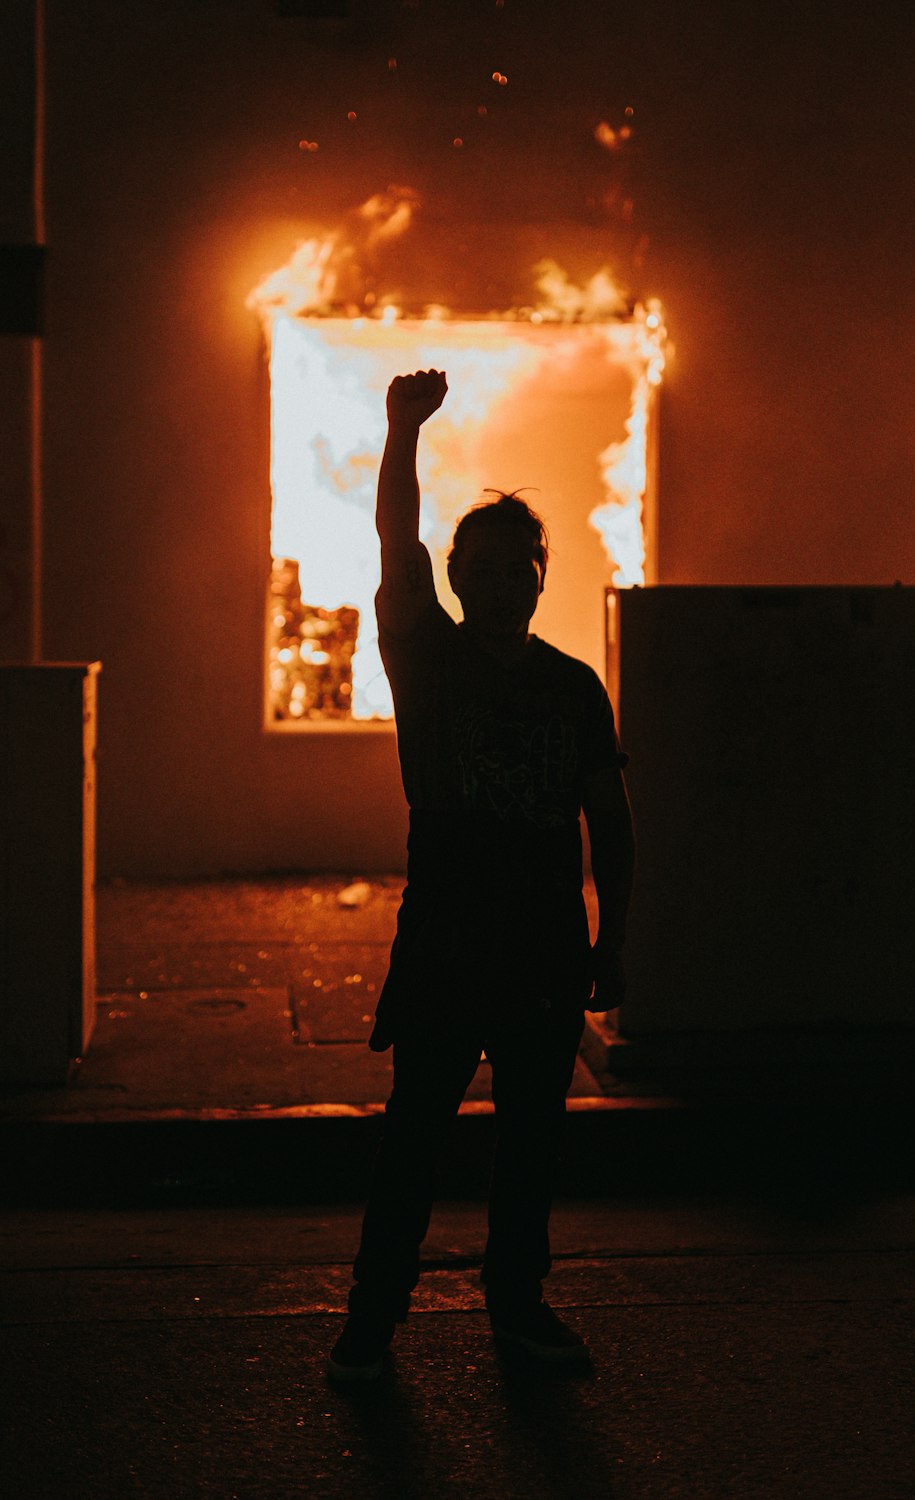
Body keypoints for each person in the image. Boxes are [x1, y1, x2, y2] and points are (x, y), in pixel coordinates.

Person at [327, 369, 635, 1382]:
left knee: (531, 1146)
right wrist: (400, 431)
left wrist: (612, 942)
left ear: (541, 579)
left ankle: (517, 1310)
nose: (502, 585)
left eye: (520, 570)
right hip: (449, 940)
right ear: (457, 577)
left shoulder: (573, 687)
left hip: (543, 947)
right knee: (413, 1137)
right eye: (484, 568)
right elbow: (392, 539)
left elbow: (607, 820)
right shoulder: (425, 659)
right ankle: (370, 1329)